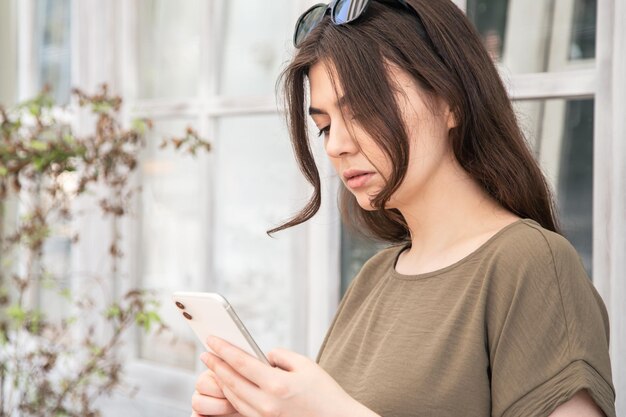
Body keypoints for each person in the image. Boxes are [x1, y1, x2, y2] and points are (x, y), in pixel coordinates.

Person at [190, 0, 616, 416]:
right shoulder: (374, 278)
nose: (337, 145)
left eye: (364, 109)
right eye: (324, 127)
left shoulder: (530, 264)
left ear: (451, 99)